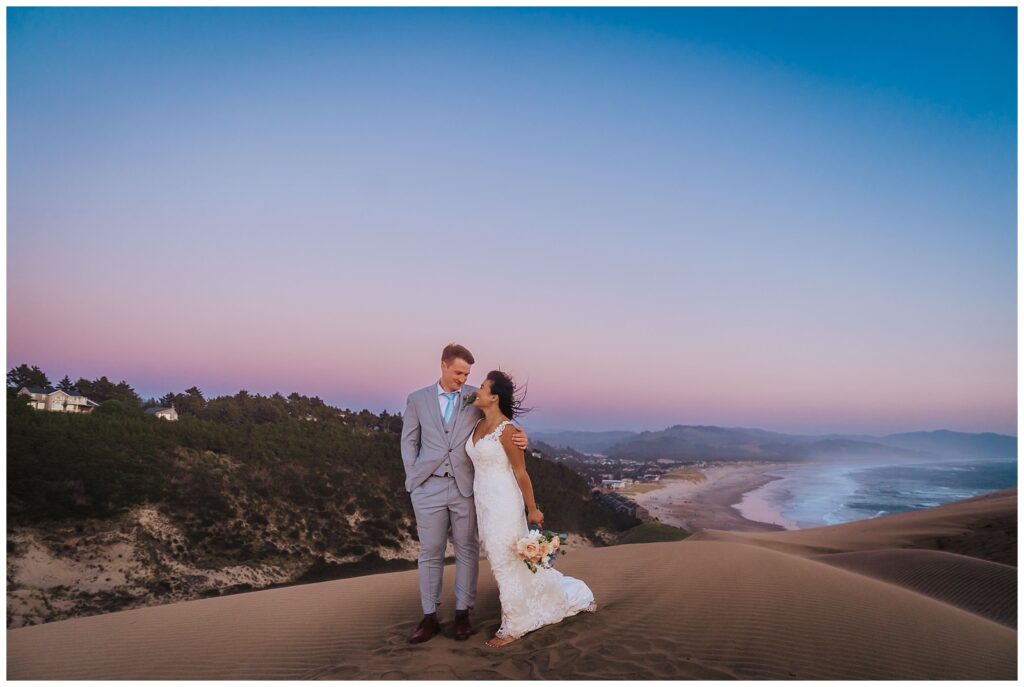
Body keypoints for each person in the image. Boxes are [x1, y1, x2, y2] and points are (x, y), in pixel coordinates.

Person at [400, 344, 529, 643]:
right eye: (458, 372)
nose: (462, 379)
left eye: (467, 374)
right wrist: (414, 478)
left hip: (465, 487)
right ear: (443, 366)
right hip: (427, 487)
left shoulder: (475, 395)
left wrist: (523, 436)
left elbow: (501, 419)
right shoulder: (417, 399)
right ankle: (429, 618)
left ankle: (462, 615)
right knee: (429, 553)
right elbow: (409, 441)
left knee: (467, 549)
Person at [466, 370, 597, 648]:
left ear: (494, 396)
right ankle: (540, 600)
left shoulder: (508, 431)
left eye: (482, 386)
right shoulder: (476, 425)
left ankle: (515, 625)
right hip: (483, 503)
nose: (477, 390)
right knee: (501, 558)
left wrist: (532, 509)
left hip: (504, 503)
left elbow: (521, 473)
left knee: (505, 562)